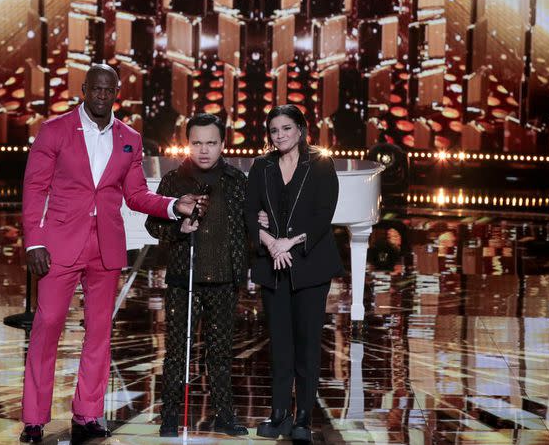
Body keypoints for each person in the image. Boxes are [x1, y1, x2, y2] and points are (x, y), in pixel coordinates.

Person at [19, 64, 208, 443]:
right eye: (97, 89)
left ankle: (87, 415)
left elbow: (136, 195)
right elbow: (34, 189)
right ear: (85, 89)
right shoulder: (54, 130)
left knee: (100, 333)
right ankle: (34, 418)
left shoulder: (129, 138)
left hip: (105, 247)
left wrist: (175, 206)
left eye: (110, 90)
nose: (103, 96)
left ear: (116, 92)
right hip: (59, 244)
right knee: (47, 326)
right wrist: (34, 242)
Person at [145, 113, 249, 438]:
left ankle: (224, 416)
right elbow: (152, 224)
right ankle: (169, 417)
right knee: (177, 351)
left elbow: (247, 228)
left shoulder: (236, 181)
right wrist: (179, 226)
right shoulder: (174, 181)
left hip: (223, 280)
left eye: (211, 143)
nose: (203, 150)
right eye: (197, 143)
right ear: (187, 143)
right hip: (183, 279)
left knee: (219, 353)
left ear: (222, 144)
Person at [244, 104, 342, 443]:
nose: (280, 135)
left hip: (310, 264)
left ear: (301, 130)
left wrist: (289, 242)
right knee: (280, 345)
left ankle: (303, 417)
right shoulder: (262, 166)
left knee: (307, 344)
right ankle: (279, 413)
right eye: (274, 130)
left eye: (286, 128)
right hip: (273, 266)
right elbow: (249, 212)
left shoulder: (320, 164)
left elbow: (322, 215)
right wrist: (272, 243)